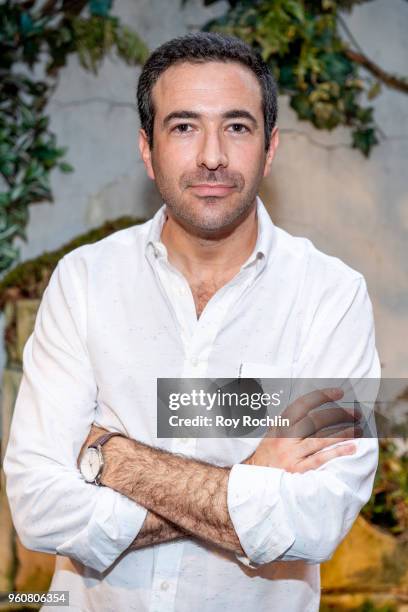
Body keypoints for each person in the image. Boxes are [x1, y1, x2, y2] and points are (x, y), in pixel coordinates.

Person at [4, 32, 380, 612]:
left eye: (236, 126)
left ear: (270, 147)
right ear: (147, 149)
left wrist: (117, 460)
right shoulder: (83, 281)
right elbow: (38, 507)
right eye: (183, 126)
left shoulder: (332, 297)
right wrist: (250, 477)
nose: (212, 155)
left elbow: (318, 518)